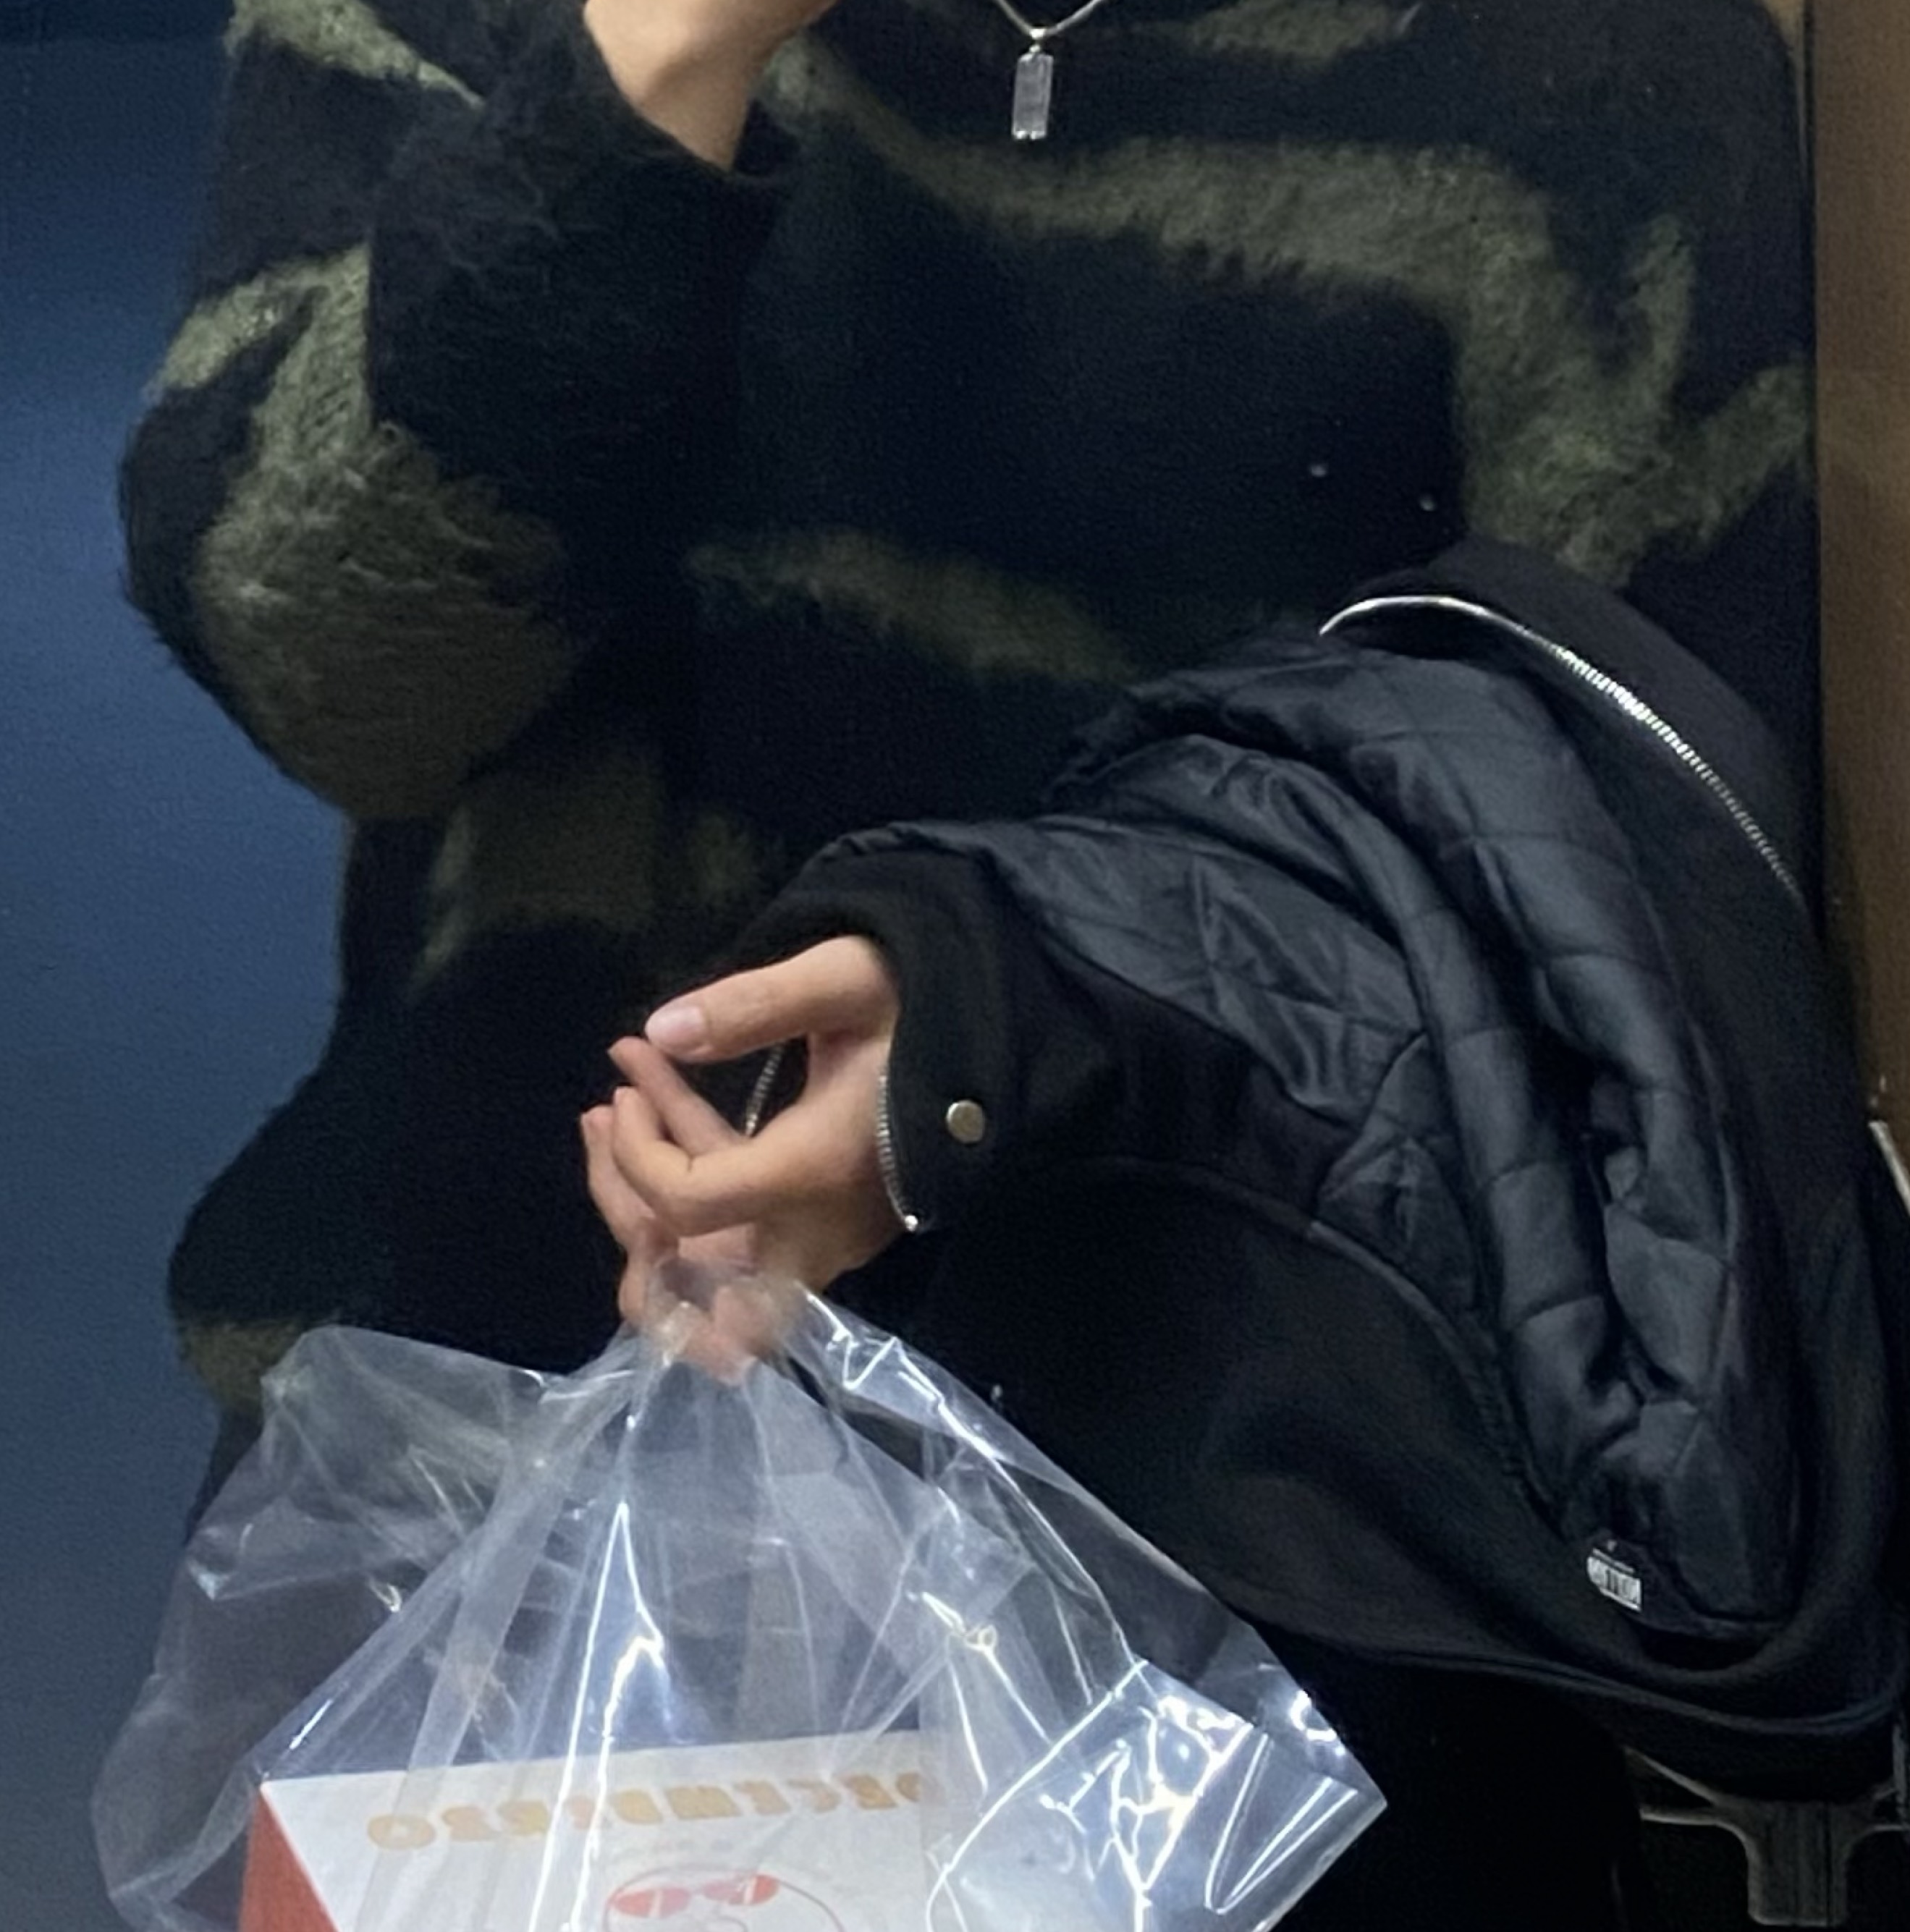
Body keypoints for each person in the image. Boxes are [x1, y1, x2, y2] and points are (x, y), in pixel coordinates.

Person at [122, 0, 1821, 1922]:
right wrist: (645, 81)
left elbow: (1623, 884)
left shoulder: (1594, 68)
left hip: (1268, 1573)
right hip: (510, 1442)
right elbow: (329, 677)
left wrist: (1015, 1029)